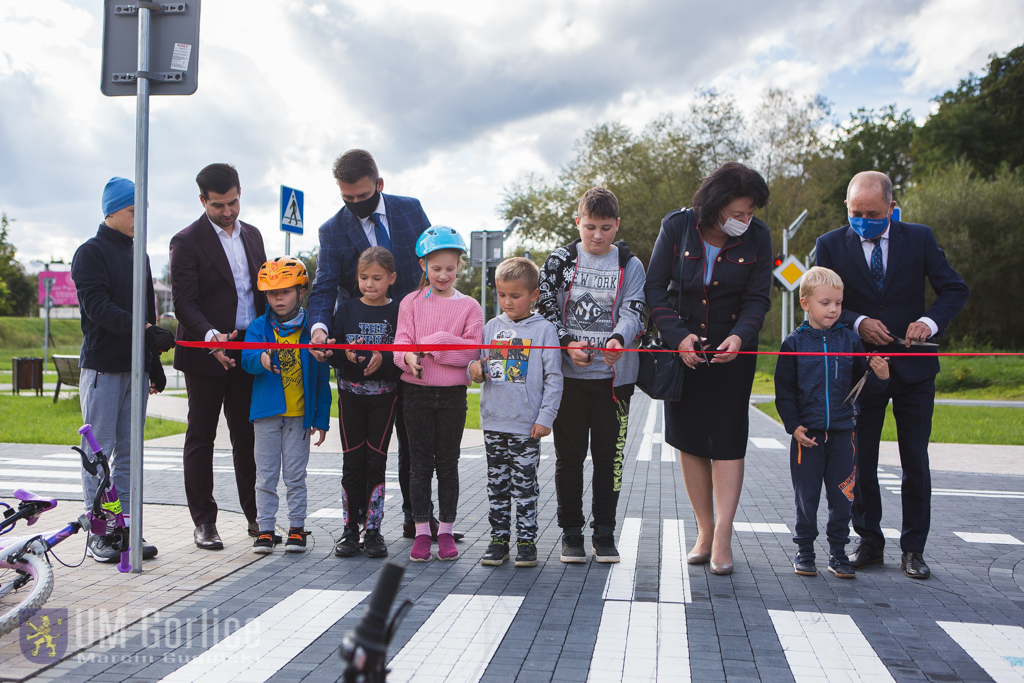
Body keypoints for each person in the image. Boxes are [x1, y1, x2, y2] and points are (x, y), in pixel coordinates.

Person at [816, 171, 969, 579]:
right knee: (860, 459)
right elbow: (815, 303)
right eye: (855, 212)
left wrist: (930, 322)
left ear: (891, 208)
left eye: (872, 212)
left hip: (915, 371)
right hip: (862, 371)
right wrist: (858, 321)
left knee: (914, 460)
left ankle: (914, 549)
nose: (863, 219)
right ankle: (869, 541)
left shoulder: (919, 238)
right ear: (846, 208)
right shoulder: (829, 245)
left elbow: (954, 289)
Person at [306, 150, 454, 541]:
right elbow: (323, 287)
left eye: (362, 196)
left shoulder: (410, 211)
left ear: (379, 184)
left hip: (414, 346)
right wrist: (319, 328)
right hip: (364, 358)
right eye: (347, 198)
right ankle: (357, 525)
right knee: (365, 452)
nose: (355, 205)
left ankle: (417, 517)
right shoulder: (332, 230)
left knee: (416, 441)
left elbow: (431, 264)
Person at [645, 162, 772, 576]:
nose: (744, 221)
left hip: (734, 353)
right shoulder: (678, 226)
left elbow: (758, 299)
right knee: (691, 439)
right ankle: (703, 529)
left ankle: (723, 534)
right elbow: (654, 288)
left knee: (729, 440)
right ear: (715, 206)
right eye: (737, 213)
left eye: (750, 212)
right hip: (684, 352)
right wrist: (676, 336)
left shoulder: (760, 237)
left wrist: (741, 335)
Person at [538, 187, 646, 565]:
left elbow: (635, 310)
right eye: (589, 227)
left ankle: (604, 534)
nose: (597, 236)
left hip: (614, 382)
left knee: (609, 459)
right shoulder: (560, 260)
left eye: (605, 227)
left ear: (617, 224)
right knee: (568, 458)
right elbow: (545, 307)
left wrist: (619, 337)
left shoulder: (629, 263)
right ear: (577, 222)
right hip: (568, 380)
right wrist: (567, 342)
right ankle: (570, 533)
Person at [71, 176, 171, 562]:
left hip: (135, 370)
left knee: (131, 454)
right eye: (133, 210)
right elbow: (96, 307)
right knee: (99, 453)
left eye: (142, 210)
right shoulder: (90, 253)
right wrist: (145, 330)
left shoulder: (139, 253)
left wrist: (153, 362)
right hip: (103, 368)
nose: (138, 217)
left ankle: (125, 529)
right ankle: (100, 532)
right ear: (111, 211)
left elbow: (146, 310)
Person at [169, 163, 267, 550]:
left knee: (248, 437)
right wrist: (212, 339)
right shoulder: (186, 241)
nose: (227, 212)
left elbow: (262, 292)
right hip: (205, 352)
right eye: (218, 205)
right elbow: (184, 304)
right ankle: (205, 523)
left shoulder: (254, 235)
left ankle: (257, 517)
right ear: (202, 201)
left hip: (246, 350)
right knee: (201, 437)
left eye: (233, 202)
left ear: (240, 193)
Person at [774, 267, 890, 579]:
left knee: (843, 498)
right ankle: (805, 551)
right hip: (807, 436)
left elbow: (863, 390)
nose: (834, 309)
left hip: (843, 434)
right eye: (825, 303)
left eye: (838, 303)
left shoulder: (852, 341)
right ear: (805, 303)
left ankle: (838, 553)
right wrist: (793, 425)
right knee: (806, 498)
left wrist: (880, 376)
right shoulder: (793, 344)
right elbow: (783, 392)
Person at [393, 227, 483, 562]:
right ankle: (421, 531)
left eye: (449, 267)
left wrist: (437, 342)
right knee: (419, 465)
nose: (443, 275)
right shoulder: (411, 303)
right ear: (423, 266)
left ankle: (445, 531)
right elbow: (399, 347)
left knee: (447, 464)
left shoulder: (470, 307)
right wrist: (410, 358)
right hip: (415, 393)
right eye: (436, 268)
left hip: (452, 397)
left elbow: (471, 354)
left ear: (459, 265)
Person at [468, 257, 563, 568]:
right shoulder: (491, 327)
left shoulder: (545, 330)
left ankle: (526, 540)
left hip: (526, 426)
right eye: (502, 294)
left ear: (533, 295)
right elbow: (477, 366)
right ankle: (498, 539)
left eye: (515, 295)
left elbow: (554, 378)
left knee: (524, 485)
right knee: (497, 484)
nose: (507, 301)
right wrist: (476, 370)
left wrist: (545, 417)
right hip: (494, 421)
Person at [241, 258, 331, 554]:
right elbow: (247, 361)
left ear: (301, 291)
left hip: (299, 418)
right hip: (266, 416)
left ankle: (296, 528)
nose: (278, 298)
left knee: (295, 476)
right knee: (265, 476)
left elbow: (321, 379)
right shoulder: (258, 327)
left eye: (286, 291)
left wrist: (321, 418)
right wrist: (262, 359)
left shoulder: (311, 330)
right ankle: (265, 529)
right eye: (271, 293)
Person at [329, 247, 402, 559]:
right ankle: (349, 529)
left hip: (384, 398)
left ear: (392, 278)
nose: (369, 284)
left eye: (377, 278)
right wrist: (334, 353)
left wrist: (381, 358)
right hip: (349, 396)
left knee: (375, 461)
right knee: (352, 462)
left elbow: (403, 356)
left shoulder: (399, 311)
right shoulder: (346, 310)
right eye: (363, 278)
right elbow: (332, 349)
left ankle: (373, 529)